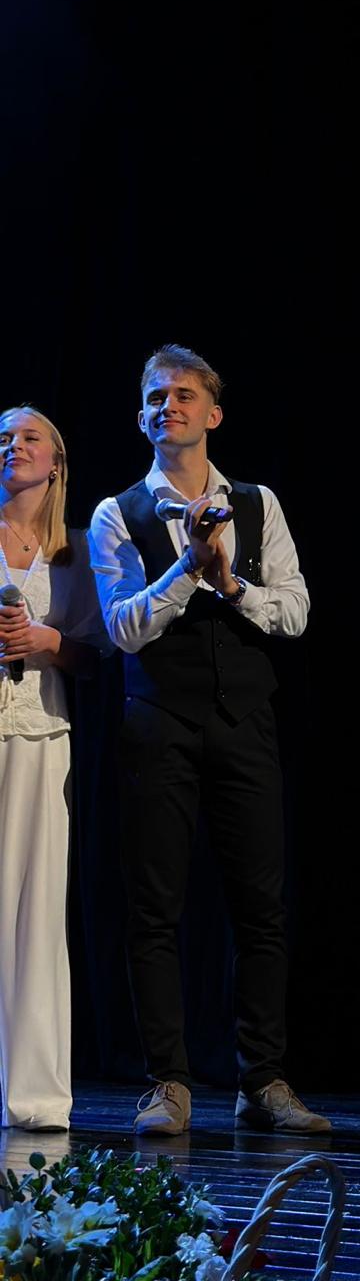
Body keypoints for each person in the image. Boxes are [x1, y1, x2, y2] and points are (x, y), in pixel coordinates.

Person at [89, 344, 330, 1137]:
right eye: (156, 397)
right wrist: (188, 570)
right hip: (157, 720)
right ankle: (168, 1080)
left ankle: (263, 1079)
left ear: (213, 413)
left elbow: (295, 611)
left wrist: (230, 583)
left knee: (260, 906)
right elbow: (122, 628)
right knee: (155, 907)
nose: (170, 406)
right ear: (141, 418)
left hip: (244, 721)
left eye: (184, 395)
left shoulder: (258, 503)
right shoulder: (117, 513)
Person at [0, 406, 106, 1131]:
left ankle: (34, 1095)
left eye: (28, 436)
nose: (13, 445)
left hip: (41, 735)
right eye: (4, 438)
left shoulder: (74, 553)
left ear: (57, 461)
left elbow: (96, 654)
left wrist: (47, 641)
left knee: (35, 914)